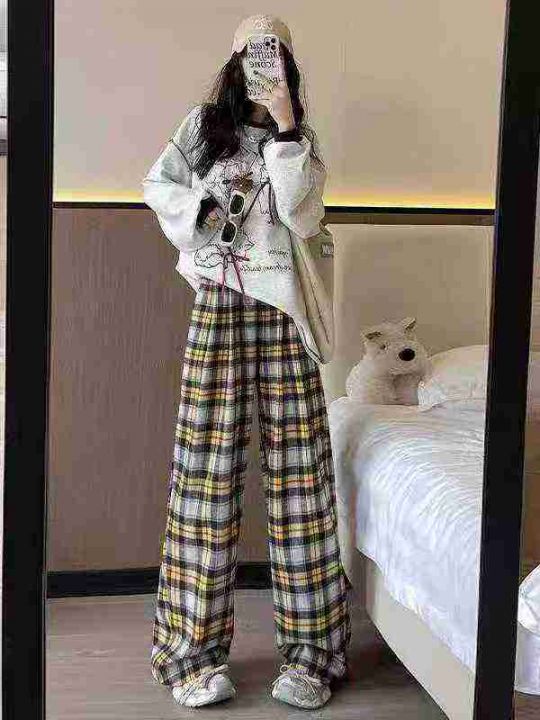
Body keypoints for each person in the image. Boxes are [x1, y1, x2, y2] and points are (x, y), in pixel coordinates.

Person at [141, 13, 352, 710]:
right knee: (204, 481)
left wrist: (287, 127)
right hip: (219, 307)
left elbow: (302, 217)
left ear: (289, 66)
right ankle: (191, 656)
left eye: (277, 56)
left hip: (285, 312)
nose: (265, 68)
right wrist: (202, 208)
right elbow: (158, 184)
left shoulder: (300, 138)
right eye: (255, 57)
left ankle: (313, 656)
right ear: (235, 65)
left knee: (301, 485)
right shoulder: (203, 129)